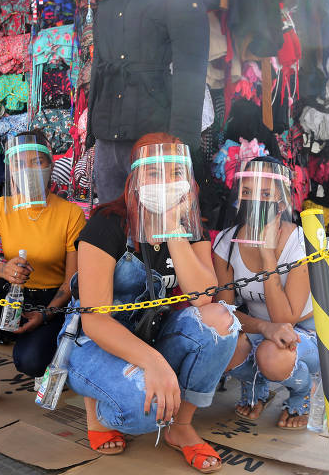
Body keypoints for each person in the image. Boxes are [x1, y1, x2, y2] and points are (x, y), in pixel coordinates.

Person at [65, 133, 239, 473]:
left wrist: (174, 230)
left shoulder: (189, 228)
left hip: (152, 334)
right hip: (96, 342)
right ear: (135, 178)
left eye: (175, 172)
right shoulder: (107, 224)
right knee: (146, 412)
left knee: (221, 320)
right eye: (154, 172)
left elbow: (203, 297)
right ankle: (98, 409)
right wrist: (154, 363)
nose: (165, 182)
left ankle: (181, 427)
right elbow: (95, 321)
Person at [0, 132, 86, 420]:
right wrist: (2, 269)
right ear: (10, 170)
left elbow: (71, 280)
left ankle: (55, 353)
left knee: (30, 362)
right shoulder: (0, 207)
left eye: (37, 162)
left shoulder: (71, 214)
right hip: (11, 299)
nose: (28, 170)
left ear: (50, 165)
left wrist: (45, 314)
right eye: (19, 163)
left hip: (50, 305)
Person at [212, 157, 319, 430]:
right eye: (247, 191)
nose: (254, 200)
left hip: (303, 334)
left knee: (272, 356)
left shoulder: (299, 241)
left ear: (282, 203)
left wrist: (267, 254)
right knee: (221, 345)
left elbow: (285, 319)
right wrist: (262, 327)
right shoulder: (226, 241)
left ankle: (302, 391)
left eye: (265, 194)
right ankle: (256, 386)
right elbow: (224, 313)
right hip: (259, 329)